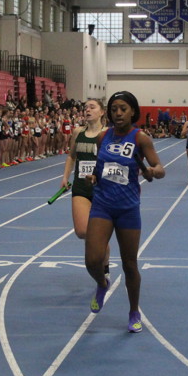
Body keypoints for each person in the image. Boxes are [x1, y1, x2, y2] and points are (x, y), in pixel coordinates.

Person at [84, 91, 165, 333]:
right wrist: (93, 176)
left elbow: (160, 168)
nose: (118, 113)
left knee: (130, 264)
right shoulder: (102, 137)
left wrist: (152, 172)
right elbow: (100, 167)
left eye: (123, 109)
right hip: (102, 205)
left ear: (133, 112)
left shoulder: (140, 138)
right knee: (92, 260)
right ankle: (102, 283)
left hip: (128, 208)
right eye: (114, 109)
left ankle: (133, 311)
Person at [61, 98, 109, 277]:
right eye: (85, 107)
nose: (87, 110)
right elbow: (71, 156)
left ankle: (104, 268)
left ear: (101, 112)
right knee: (82, 231)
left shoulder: (108, 134)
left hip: (102, 188)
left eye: (92, 107)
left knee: (96, 235)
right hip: (81, 187)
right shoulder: (78, 132)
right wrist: (65, 177)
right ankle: (100, 246)